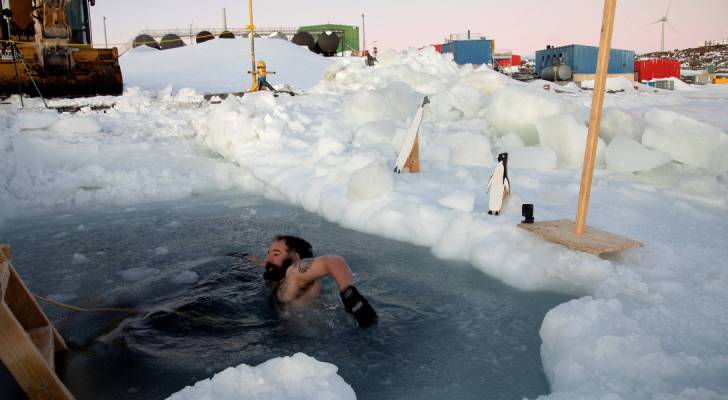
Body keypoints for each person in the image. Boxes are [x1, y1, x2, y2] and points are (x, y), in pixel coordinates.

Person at [261, 234, 377, 328]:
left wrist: (350, 296)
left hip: (306, 344)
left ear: (296, 258)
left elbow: (332, 261)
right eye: (268, 253)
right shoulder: (279, 275)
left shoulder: (294, 273)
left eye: (276, 254)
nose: (267, 259)